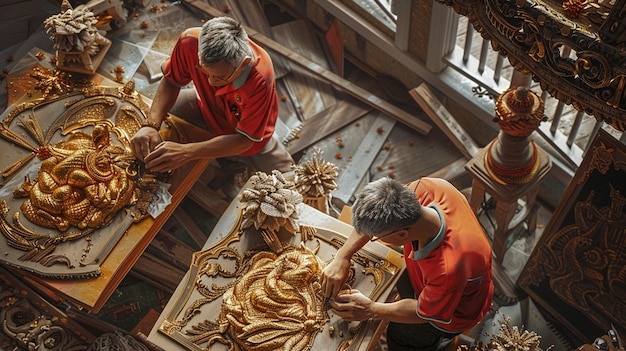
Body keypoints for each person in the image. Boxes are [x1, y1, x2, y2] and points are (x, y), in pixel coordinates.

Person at [322, 177, 493, 351]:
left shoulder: (449, 267)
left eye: (375, 236)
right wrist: (342, 256)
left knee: (402, 335)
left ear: (402, 235)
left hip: (456, 311)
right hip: (434, 282)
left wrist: (371, 309)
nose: (372, 239)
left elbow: (425, 312)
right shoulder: (426, 188)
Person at [130, 16, 293, 174]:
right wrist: (150, 125)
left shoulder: (260, 80)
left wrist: (187, 152)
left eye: (219, 77)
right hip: (205, 106)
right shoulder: (190, 41)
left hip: (248, 137)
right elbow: (172, 80)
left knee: (287, 175)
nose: (210, 82)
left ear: (243, 65)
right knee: (150, 111)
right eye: (204, 71)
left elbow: (244, 141)